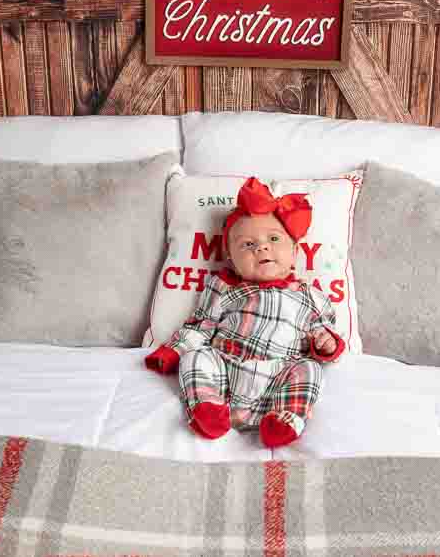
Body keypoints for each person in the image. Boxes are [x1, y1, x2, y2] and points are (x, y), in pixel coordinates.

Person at [145, 177, 345, 448]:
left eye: (274, 239)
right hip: (226, 371)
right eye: (247, 244)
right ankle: (206, 406)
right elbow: (202, 326)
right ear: (231, 258)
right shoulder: (224, 287)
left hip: (278, 376)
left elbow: (323, 332)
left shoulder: (309, 296)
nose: (261, 247)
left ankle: (284, 419)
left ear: (295, 251)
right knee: (197, 358)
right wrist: (172, 351)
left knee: (309, 369)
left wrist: (327, 344)